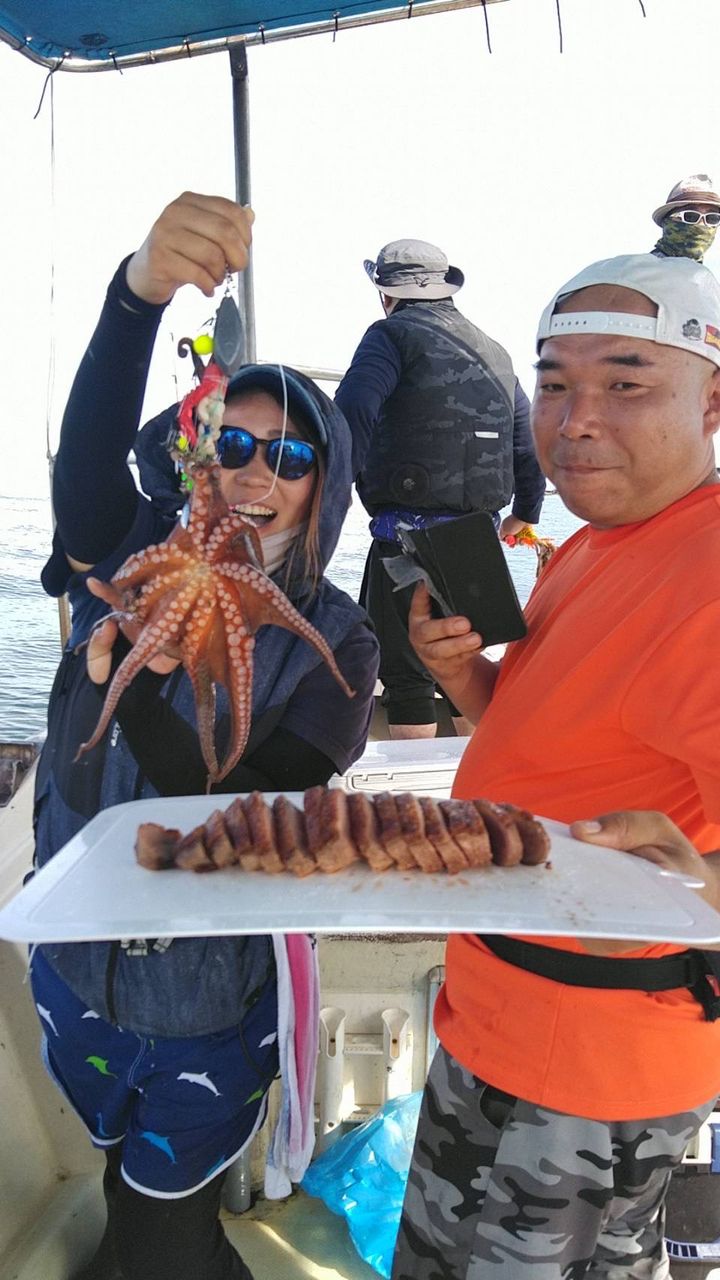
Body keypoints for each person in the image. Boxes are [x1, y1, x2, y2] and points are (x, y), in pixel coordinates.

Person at [29, 191, 379, 1280]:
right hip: (76, 966)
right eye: (233, 442)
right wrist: (135, 297)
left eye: (290, 453)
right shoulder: (136, 548)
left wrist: (131, 683)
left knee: (164, 1220)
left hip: (210, 1004)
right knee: (106, 1169)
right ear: (200, 456)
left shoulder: (339, 640)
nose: (256, 471)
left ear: (327, 480)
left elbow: (246, 822)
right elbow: (84, 485)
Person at [393, 251, 720, 1279]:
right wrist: (470, 680)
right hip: (494, 1019)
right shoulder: (600, 539)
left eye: (626, 382)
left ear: (715, 399)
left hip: (593, 1069)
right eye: (555, 382)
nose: (576, 418)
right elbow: (560, 735)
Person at [335, 238, 546, 741]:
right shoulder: (494, 350)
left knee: (406, 678)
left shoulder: (390, 335)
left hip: (406, 542)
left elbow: (355, 409)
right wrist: (528, 510)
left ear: (385, 292)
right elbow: (527, 439)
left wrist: (327, 487)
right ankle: (474, 789)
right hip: (478, 544)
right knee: (463, 669)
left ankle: (417, 810)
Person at [651, 173, 720, 261]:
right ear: (667, 221)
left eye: (712, 218)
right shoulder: (638, 271)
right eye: (690, 216)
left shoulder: (704, 274)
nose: (702, 225)